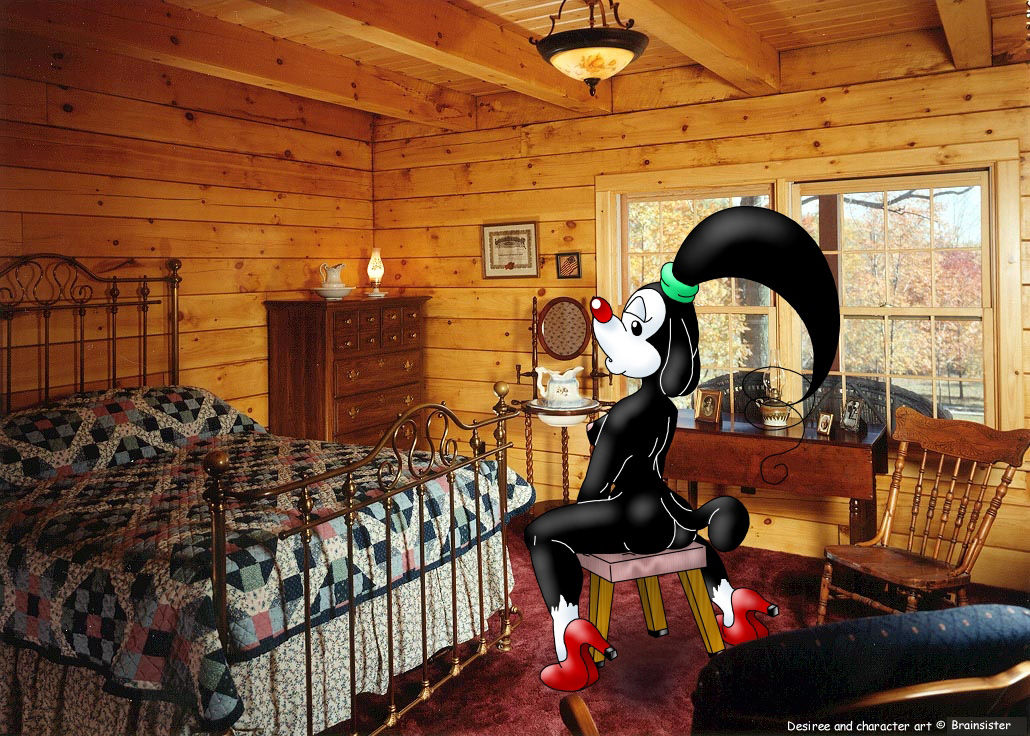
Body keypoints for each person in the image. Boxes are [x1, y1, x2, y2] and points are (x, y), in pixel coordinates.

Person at [524, 207, 841, 691]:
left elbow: (594, 489)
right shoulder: (665, 409)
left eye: (634, 327)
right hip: (670, 517)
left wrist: (581, 517)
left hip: (636, 523)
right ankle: (731, 602)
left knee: (543, 535)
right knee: (693, 537)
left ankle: (570, 637)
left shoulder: (624, 415)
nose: (613, 328)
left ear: (665, 347)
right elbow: (642, 468)